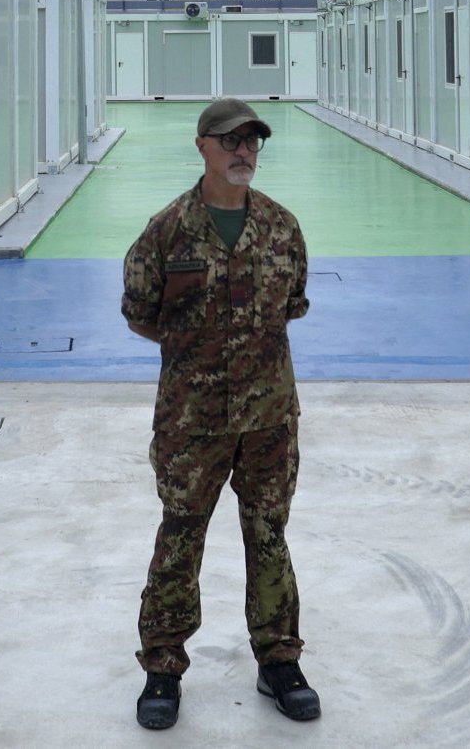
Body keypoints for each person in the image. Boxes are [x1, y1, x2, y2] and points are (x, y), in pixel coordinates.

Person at [121, 97, 321, 730]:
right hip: (191, 419)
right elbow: (139, 312)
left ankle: (279, 662)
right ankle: (162, 667)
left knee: (269, 535)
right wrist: (198, 355)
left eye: (252, 142)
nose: (243, 152)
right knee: (181, 534)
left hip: (268, 416)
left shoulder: (282, 227)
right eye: (231, 141)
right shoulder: (167, 230)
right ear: (202, 146)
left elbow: (292, 305)